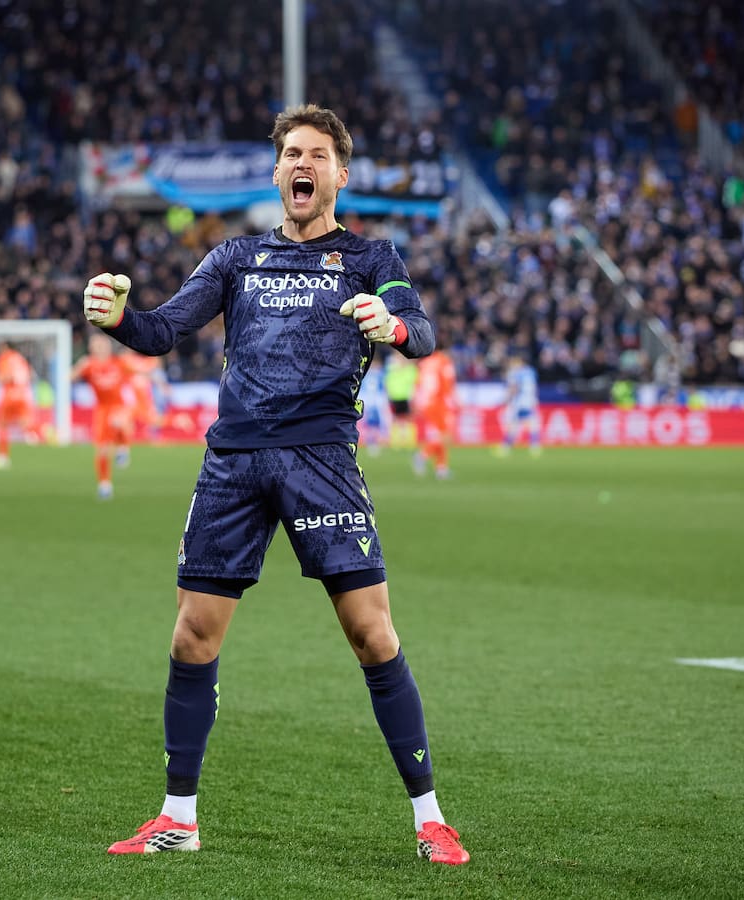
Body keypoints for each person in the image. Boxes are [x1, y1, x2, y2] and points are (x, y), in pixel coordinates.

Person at [83, 104, 469, 865]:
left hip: (322, 459)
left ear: (339, 175)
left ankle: (431, 819)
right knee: (193, 636)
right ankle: (178, 818)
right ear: (277, 171)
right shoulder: (233, 259)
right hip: (232, 463)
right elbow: (162, 331)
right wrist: (121, 320)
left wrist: (390, 329)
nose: (303, 164)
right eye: (293, 152)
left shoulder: (371, 258)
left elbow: (420, 333)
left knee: (372, 634)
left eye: (318, 155)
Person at [71, 332, 136, 499]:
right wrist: (76, 368)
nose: (97, 347)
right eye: (94, 344)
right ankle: (104, 484)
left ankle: (123, 447)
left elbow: (138, 373)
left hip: (119, 405)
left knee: (118, 421)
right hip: (101, 409)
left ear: (107, 346)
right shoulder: (88, 364)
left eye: (100, 344)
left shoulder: (118, 362)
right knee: (102, 449)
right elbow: (69, 378)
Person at [0, 341, 49, 469]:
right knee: (27, 425)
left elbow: (6, 376)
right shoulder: (21, 358)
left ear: (5, 347)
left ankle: (2, 457)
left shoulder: (4, 358)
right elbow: (31, 375)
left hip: (10, 396)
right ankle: (44, 433)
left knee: (2, 425)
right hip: (24, 395)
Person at [412, 346, 458, 479]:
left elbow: (418, 384)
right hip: (439, 403)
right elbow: (447, 383)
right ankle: (422, 456)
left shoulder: (425, 363)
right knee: (445, 436)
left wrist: (417, 402)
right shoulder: (444, 362)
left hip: (427, 403)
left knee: (440, 436)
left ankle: (441, 468)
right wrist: (455, 400)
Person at [498, 353, 542, 457]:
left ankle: (506, 447)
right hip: (530, 400)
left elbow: (514, 387)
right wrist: (535, 398)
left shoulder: (516, 373)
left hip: (520, 401)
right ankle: (534, 446)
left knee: (515, 423)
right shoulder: (531, 371)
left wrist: (506, 399)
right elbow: (535, 387)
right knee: (530, 422)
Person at [384, 353, 418, 448]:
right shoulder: (392, 369)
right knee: (396, 419)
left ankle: (410, 441)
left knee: (408, 419)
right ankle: (396, 442)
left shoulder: (409, 369)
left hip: (406, 397)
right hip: (395, 397)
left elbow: (415, 380)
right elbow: (387, 381)